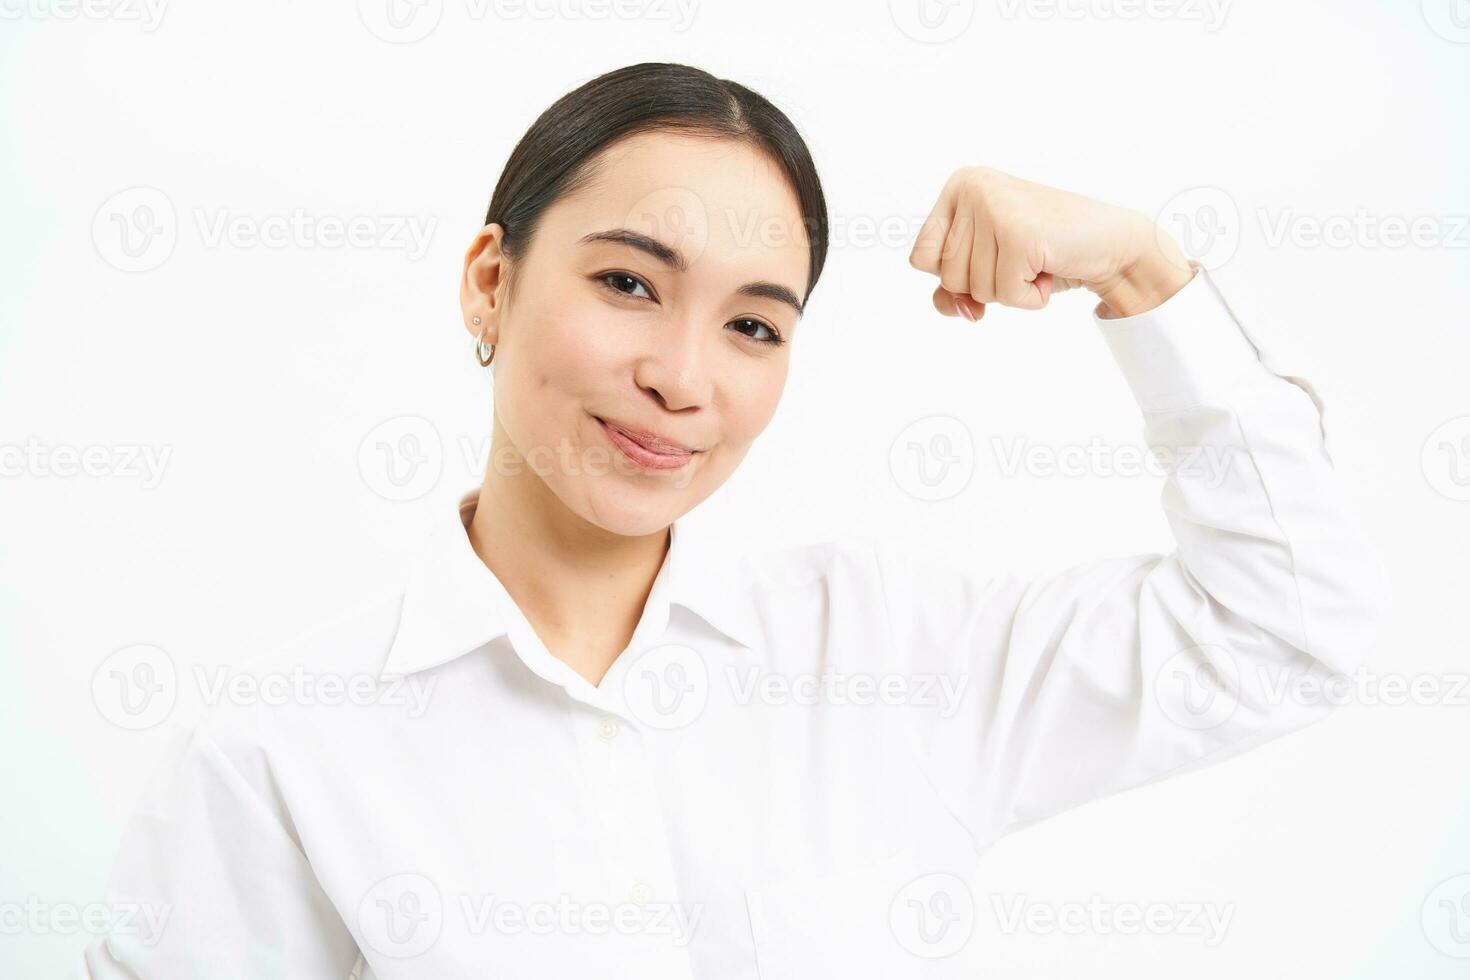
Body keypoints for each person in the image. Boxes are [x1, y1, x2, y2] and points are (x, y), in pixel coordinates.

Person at [83, 61, 1388, 979]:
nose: (684, 376)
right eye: (627, 284)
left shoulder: (885, 659)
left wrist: (1140, 272)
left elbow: (1281, 634)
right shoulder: (282, 757)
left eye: (753, 322)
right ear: (491, 283)